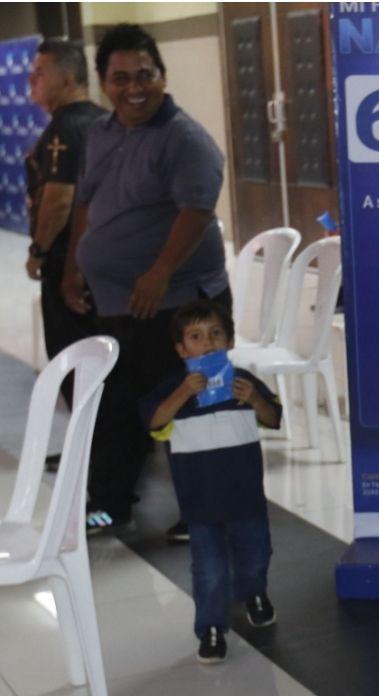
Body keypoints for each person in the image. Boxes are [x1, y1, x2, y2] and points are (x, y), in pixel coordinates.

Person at [61, 23, 230, 541]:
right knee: (117, 404)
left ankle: (209, 514)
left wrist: (159, 273)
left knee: (193, 405)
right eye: (121, 78)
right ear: (103, 82)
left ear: (162, 75)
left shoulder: (185, 139)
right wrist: (73, 266)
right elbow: (86, 203)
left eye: (145, 75)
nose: (135, 87)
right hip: (118, 301)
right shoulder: (102, 132)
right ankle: (110, 504)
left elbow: (196, 212)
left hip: (179, 301)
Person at [140, 300, 281, 663]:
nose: (207, 343)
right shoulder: (173, 389)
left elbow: (274, 418)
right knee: (210, 570)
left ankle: (254, 593)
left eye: (216, 334)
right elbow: (154, 420)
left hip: (246, 496)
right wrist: (183, 393)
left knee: (255, 555)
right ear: (181, 349)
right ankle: (212, 628)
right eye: (196, 336)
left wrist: (255, 400)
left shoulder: (244, 383)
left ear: (230, 341)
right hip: (200, 503)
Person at [25, 39, 105, 418]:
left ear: (69, 78)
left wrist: (38, 251)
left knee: (73, 353)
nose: (31, 81)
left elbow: (58, 200)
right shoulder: (103, 121)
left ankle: (90, 439)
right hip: (102, 258)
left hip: (68, 263)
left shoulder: (65, 128)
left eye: (41, 73)